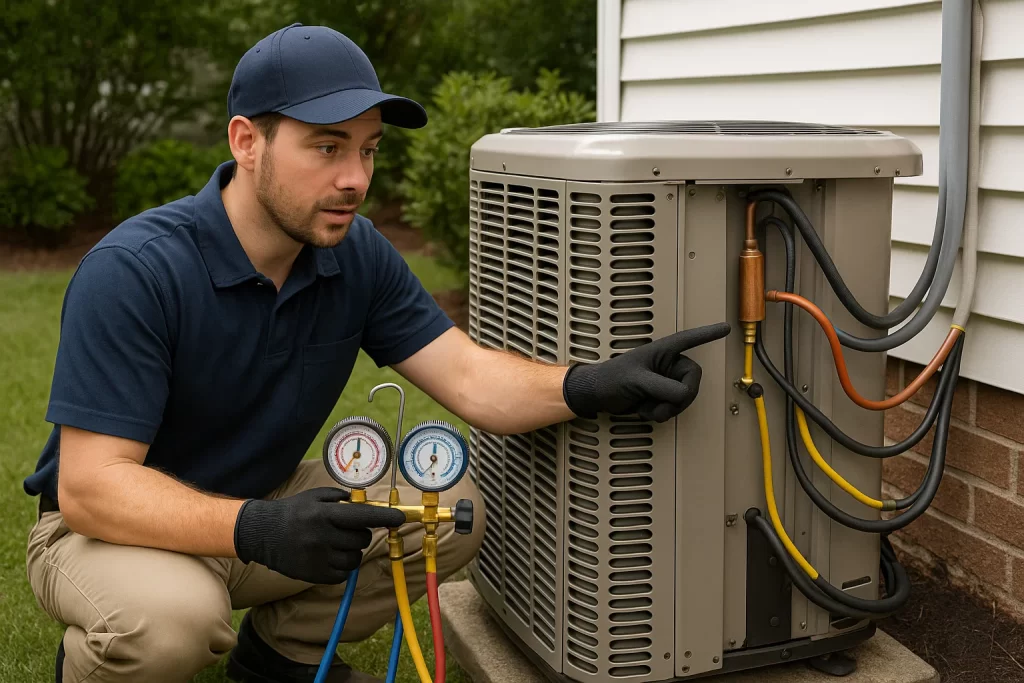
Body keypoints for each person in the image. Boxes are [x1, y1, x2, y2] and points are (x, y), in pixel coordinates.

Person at [22, 23, 731, 683]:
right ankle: (99, 656)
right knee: (170, 623)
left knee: (447, 509)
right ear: (246, 141)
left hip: (257, 505)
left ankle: (280, 660)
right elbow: (92, 487)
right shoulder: (136, 269)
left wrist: (589, 383)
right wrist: (256, 527)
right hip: (107, 531)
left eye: (369, 149)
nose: (356, 177)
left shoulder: (351, 253)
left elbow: (466, 374)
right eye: (328, 147)